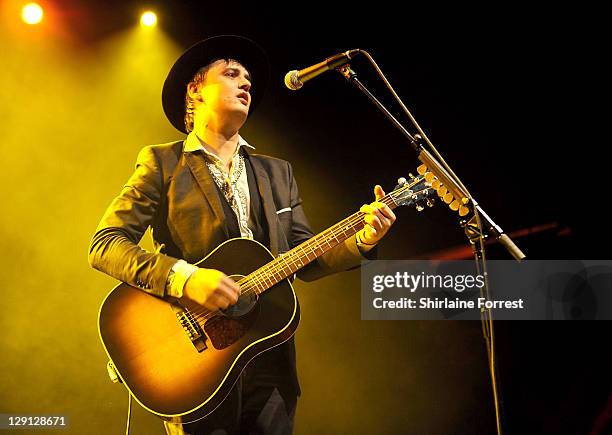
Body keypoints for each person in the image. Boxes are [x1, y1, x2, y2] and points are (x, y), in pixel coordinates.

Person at [88, 35, 397, 435]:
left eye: (248, 78)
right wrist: (185, 278)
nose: (246, 83)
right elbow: (105, 244)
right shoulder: (162, 163)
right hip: (195, 365)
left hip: (268, 357)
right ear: (195, 90)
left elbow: (306, 257)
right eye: (232, 73)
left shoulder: (277, 172)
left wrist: (363, 240)